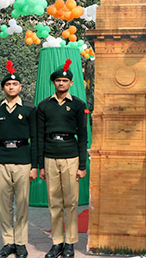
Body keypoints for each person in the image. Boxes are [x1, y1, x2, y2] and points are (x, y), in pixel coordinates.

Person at [37, 59, 88, 258]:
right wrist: (40, 165)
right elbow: (40, 136)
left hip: (71, 156)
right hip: (50, 156)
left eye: (64, 81)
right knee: (54, 202)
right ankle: (57, 242)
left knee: (71, 202)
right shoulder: (44, 106)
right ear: (54, 83)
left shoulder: (77, 105)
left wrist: (82, 165)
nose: (61, 83)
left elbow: (82, 136)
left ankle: (70, 242)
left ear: (71, 83)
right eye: (58, 80)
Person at [0, 60, 37, 258]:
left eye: (14, 84)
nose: (11, 87)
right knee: (4, 205)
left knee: (22, 204)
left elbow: (35, 138)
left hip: (23, 161)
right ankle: (8, 242)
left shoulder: (28, 109)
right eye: (8, 84)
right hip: (0, 161)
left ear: (20, 87)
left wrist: (35, 166)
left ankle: (21, 243)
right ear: (3, 88)